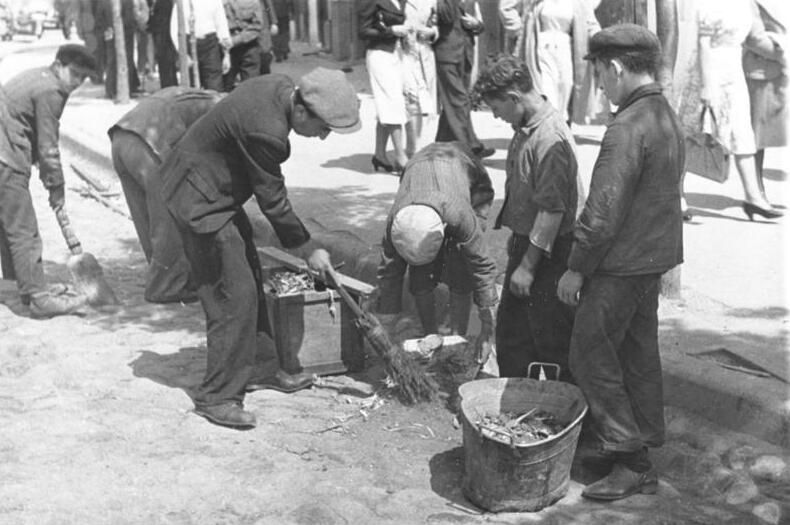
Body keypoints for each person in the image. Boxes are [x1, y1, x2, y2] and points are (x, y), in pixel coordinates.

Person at [159, 68, 361, 429]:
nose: (323, 137)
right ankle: (218, 396)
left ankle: (264, 368)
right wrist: (306, 247)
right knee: (232, 298)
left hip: (214, 191)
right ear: (302, 111)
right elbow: (273, 200)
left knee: (251, 278)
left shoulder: (281, 85)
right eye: (324, 128)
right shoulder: (268, 132)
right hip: (199, 201)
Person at [556, 24, 684, 500]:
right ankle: (640, 443)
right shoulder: (663, 114)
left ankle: (630, 456)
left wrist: (576, 267)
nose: (601, 86)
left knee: (588, 353)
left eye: (600, 76)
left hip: (621, 263)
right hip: (652, 258)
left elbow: (602, 211)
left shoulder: (627, 127)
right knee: (636, 352)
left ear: (613, 67)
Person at [473, 54, 580, 382]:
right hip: (530, 245)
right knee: (515, 339)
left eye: (497, 108)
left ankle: (558, 416)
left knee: (550, 341)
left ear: (514, 97)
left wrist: (527, 267)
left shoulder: (549, 138)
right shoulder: (525, 125)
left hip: (550, 255)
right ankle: (520, 408)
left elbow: (552, 212)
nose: (495, 116)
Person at [0, 44, 97, 318]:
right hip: (5, 156)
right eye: (75, 75)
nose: (77, 83)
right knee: (24, 231)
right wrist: (56, 187)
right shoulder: (51, 90)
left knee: (9, 225)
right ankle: (39, 298)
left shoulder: (39, 76)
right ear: (59, 66)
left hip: (4, 151)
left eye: (83, 78)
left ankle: (20, 286)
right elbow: (48, 146)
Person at [376, 141, 498, 355]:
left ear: (442, 227)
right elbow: (389, 274)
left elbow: (482, 266)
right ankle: (429, 333)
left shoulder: (460, 215)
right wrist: (387, 331)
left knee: (463, 261)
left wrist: (488, 327)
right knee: (420, 272)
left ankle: (456, 338)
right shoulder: (396, 222)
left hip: (466, 171)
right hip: (419, 167)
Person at [108, 87, 223, 304]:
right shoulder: (223, 109)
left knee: (146, 215)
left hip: (120, 138)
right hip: (148, 143)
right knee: (168, 215)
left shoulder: (202, 98)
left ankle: (161, 273)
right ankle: (166, 287)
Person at [677, 0, 782, 220]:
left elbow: (755, 40)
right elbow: (703, 43)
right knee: (690, 137)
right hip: (707, 72)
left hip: (733, 75)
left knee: (742, 134)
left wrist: (782, 51)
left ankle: (753, 199)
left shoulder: (744, 5)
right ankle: (677, 196)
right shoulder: (708, 5)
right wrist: (706, 86)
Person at [499, 0, 602, 125]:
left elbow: (591, 24)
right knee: (546, 92)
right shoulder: (536, 3)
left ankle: (560, 132)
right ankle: (548, 131)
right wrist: (517, 29)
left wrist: (602, 40)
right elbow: (507, 8)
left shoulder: (579, 3)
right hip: (541, 50)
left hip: (566, 51)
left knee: (565, 88)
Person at [434, 0, 493, 158]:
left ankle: (442, 144)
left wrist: (476, 24)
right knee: (459, 100)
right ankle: (471, 146)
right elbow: (445, 16)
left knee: (455, 102)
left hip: (465, 55)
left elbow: (481, 26)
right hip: (446, 54)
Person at [744, 0, 787, 207]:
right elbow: (754, 38)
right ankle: (756, 193)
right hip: (764, 71)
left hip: (780, 72)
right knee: (758, 136)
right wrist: (785, 54)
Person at [359, 0, 410, 173]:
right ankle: (401, 157)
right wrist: (391, 31)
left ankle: (380, 154)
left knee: (388, 104)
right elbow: (363, 31)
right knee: (392, 102)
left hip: (397, 53)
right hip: (379, 55)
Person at [169, 0, 231, 91]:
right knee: (191, 89)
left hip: (210, 45)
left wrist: (226, 54)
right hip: (188, 44)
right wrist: (183, 53)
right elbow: (174, 29)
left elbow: (222, 25)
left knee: (214, 87)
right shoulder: (182, 2)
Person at [403, 0, 438, 158]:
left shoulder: (433, 1)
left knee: (425, 101)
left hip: (424, 52)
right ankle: (412, 148)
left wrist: (432, 32)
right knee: (411, 99)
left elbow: (437, 23)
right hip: (404, 53)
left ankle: (419, 145)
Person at [221, 0, 276, 92]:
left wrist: (273, 21)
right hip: (226, 48)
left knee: (251, 86)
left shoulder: (254, 3)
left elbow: (267, 7)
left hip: (250, 45)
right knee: (225, 85)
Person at [97, 0, 141, 98]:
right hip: (125, 35)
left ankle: (111, 90)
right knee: (126, 60)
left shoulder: (103, 2)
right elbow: (129, 19)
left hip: (110, 34)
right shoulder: (127, 2)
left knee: (111, 61)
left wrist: (107, 29)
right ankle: (126, 89)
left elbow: (99, 19)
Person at [150, 0, 178, 88]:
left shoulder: (162, 3)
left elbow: (157, 20)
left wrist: (150, 24)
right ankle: (171, 84)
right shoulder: (167, 3)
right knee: (168, 64)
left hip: (163, 36)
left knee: (165, 63)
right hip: (165, 36)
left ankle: (168, 85)